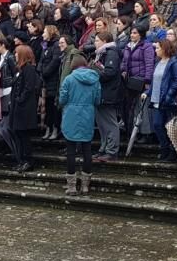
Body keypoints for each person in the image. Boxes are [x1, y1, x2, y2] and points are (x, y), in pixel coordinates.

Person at [59, 55, 101, 195]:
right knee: (87, 150)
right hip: (87, 115)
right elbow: (97, 100)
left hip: (71, 115)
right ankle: (85, 185)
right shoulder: (95, 79)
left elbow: (62, 98)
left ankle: (71, 186)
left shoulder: (69, 79)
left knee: (71, 151)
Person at [146, 39, 177, 162]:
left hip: (168, 101)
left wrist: (169, 95)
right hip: (157, 99)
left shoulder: (174, 63)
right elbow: (155, 81)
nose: (155, 50)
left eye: (157, 48)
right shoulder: (158, 62)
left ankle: (172, 152)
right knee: (157, 125)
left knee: (170, 127)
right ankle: (165, 148)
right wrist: (147, 93)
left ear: (164, 49)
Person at [92, 31, 122, 163]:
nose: (95, 43)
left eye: (97, 40)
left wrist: (94, 70)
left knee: (110, 123)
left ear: (104, 41)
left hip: (108, 93)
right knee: (102, 124)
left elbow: (109, 72)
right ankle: (103, 149)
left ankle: (112, 151)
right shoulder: (101, 54)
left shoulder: (111, 53)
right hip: (100, 93)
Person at [10, 45, 41, 172]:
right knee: (18, 135)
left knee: (24, 136)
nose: (15, 55)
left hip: (24, 108)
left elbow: (29, 87)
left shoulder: (29, 69)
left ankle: (28, 160)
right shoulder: (20, 69)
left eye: (17, 53)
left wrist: (20, 99)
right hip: (18, 108)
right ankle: (21, 160)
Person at [121, 26, 155, 133]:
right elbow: (124, 62)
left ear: (140, 34)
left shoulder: (146, 46)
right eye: (131, 33)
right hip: (129, 81)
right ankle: (133, 131)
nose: (132, 35)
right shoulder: (127, 46)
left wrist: (147, 81)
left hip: (141, 81)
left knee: (142, 108)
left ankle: (145, 133)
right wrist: (122, 70)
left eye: (135, 33)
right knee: (133, 108)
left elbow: (149, 64)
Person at [38, 25, 63, 140]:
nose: (43, 34)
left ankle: (55, 128)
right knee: (47, 106)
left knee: (53, 107)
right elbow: (41, 61)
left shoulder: (56, 45)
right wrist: (40, 70)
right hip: (46, 82)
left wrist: (45, 72)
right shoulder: (46, 46)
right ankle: (48, 127)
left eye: (44, 32)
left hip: (53, 81)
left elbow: (55, 61)